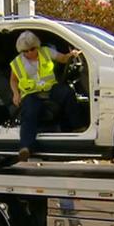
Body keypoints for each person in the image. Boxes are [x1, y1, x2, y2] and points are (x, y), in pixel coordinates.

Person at [9, 30, 84, 161]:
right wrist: (15, 94)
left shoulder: (46, 51)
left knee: (67, 92)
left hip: (50, 88)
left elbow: (62, 58)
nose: (28, 53)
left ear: (36, 46)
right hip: (31, 93)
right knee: (30, 112)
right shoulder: (17, 62)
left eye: (31, 49)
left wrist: (71, 54)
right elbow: (13, 80)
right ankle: (25, 147)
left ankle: (77, 127)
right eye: (24, 51)